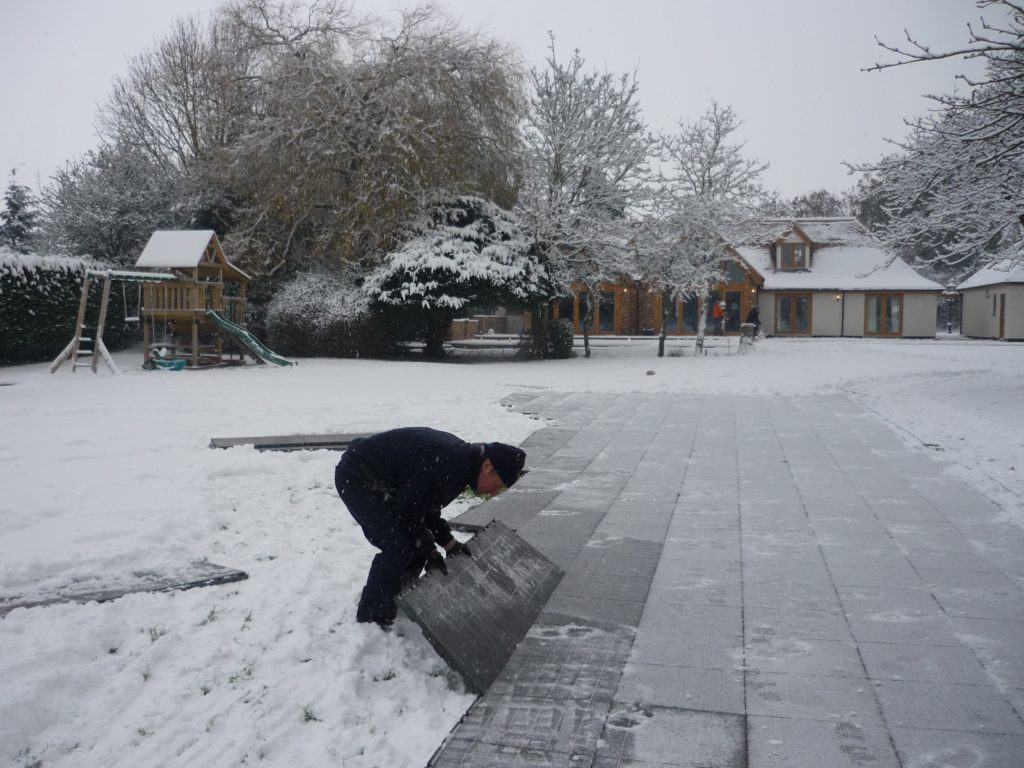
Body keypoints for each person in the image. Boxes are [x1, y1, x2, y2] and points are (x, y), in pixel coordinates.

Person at [334, 427, 526, 627]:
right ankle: (372, 616)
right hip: (358, 478)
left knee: (414, 541)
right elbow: (406, 511)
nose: (495, 493)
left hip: (380, 482)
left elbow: (426, 508)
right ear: (488, 467)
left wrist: (449, 543)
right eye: (499, 484)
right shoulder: (451, 466)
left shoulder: (462, 465)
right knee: (397, 546)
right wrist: (430, 549)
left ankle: (397, 592)